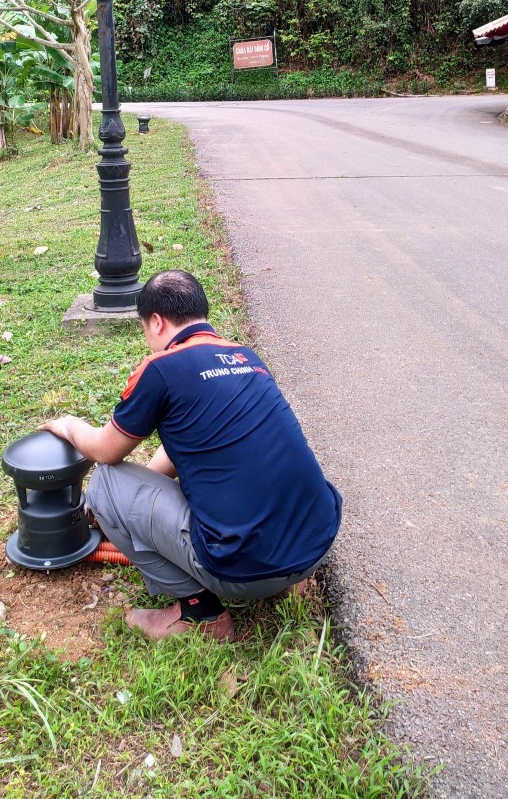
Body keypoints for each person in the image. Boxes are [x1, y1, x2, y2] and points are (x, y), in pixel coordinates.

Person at [42, 269, 342, 642]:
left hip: (242, 571)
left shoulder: (161, 369)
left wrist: (70, 426)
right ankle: (289, 584)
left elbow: (105, 450)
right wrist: (145, 493)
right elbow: (190, 441)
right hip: (315, 544)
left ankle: (201, 615)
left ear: (155, 321)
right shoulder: (246, 357)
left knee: (105, 482)